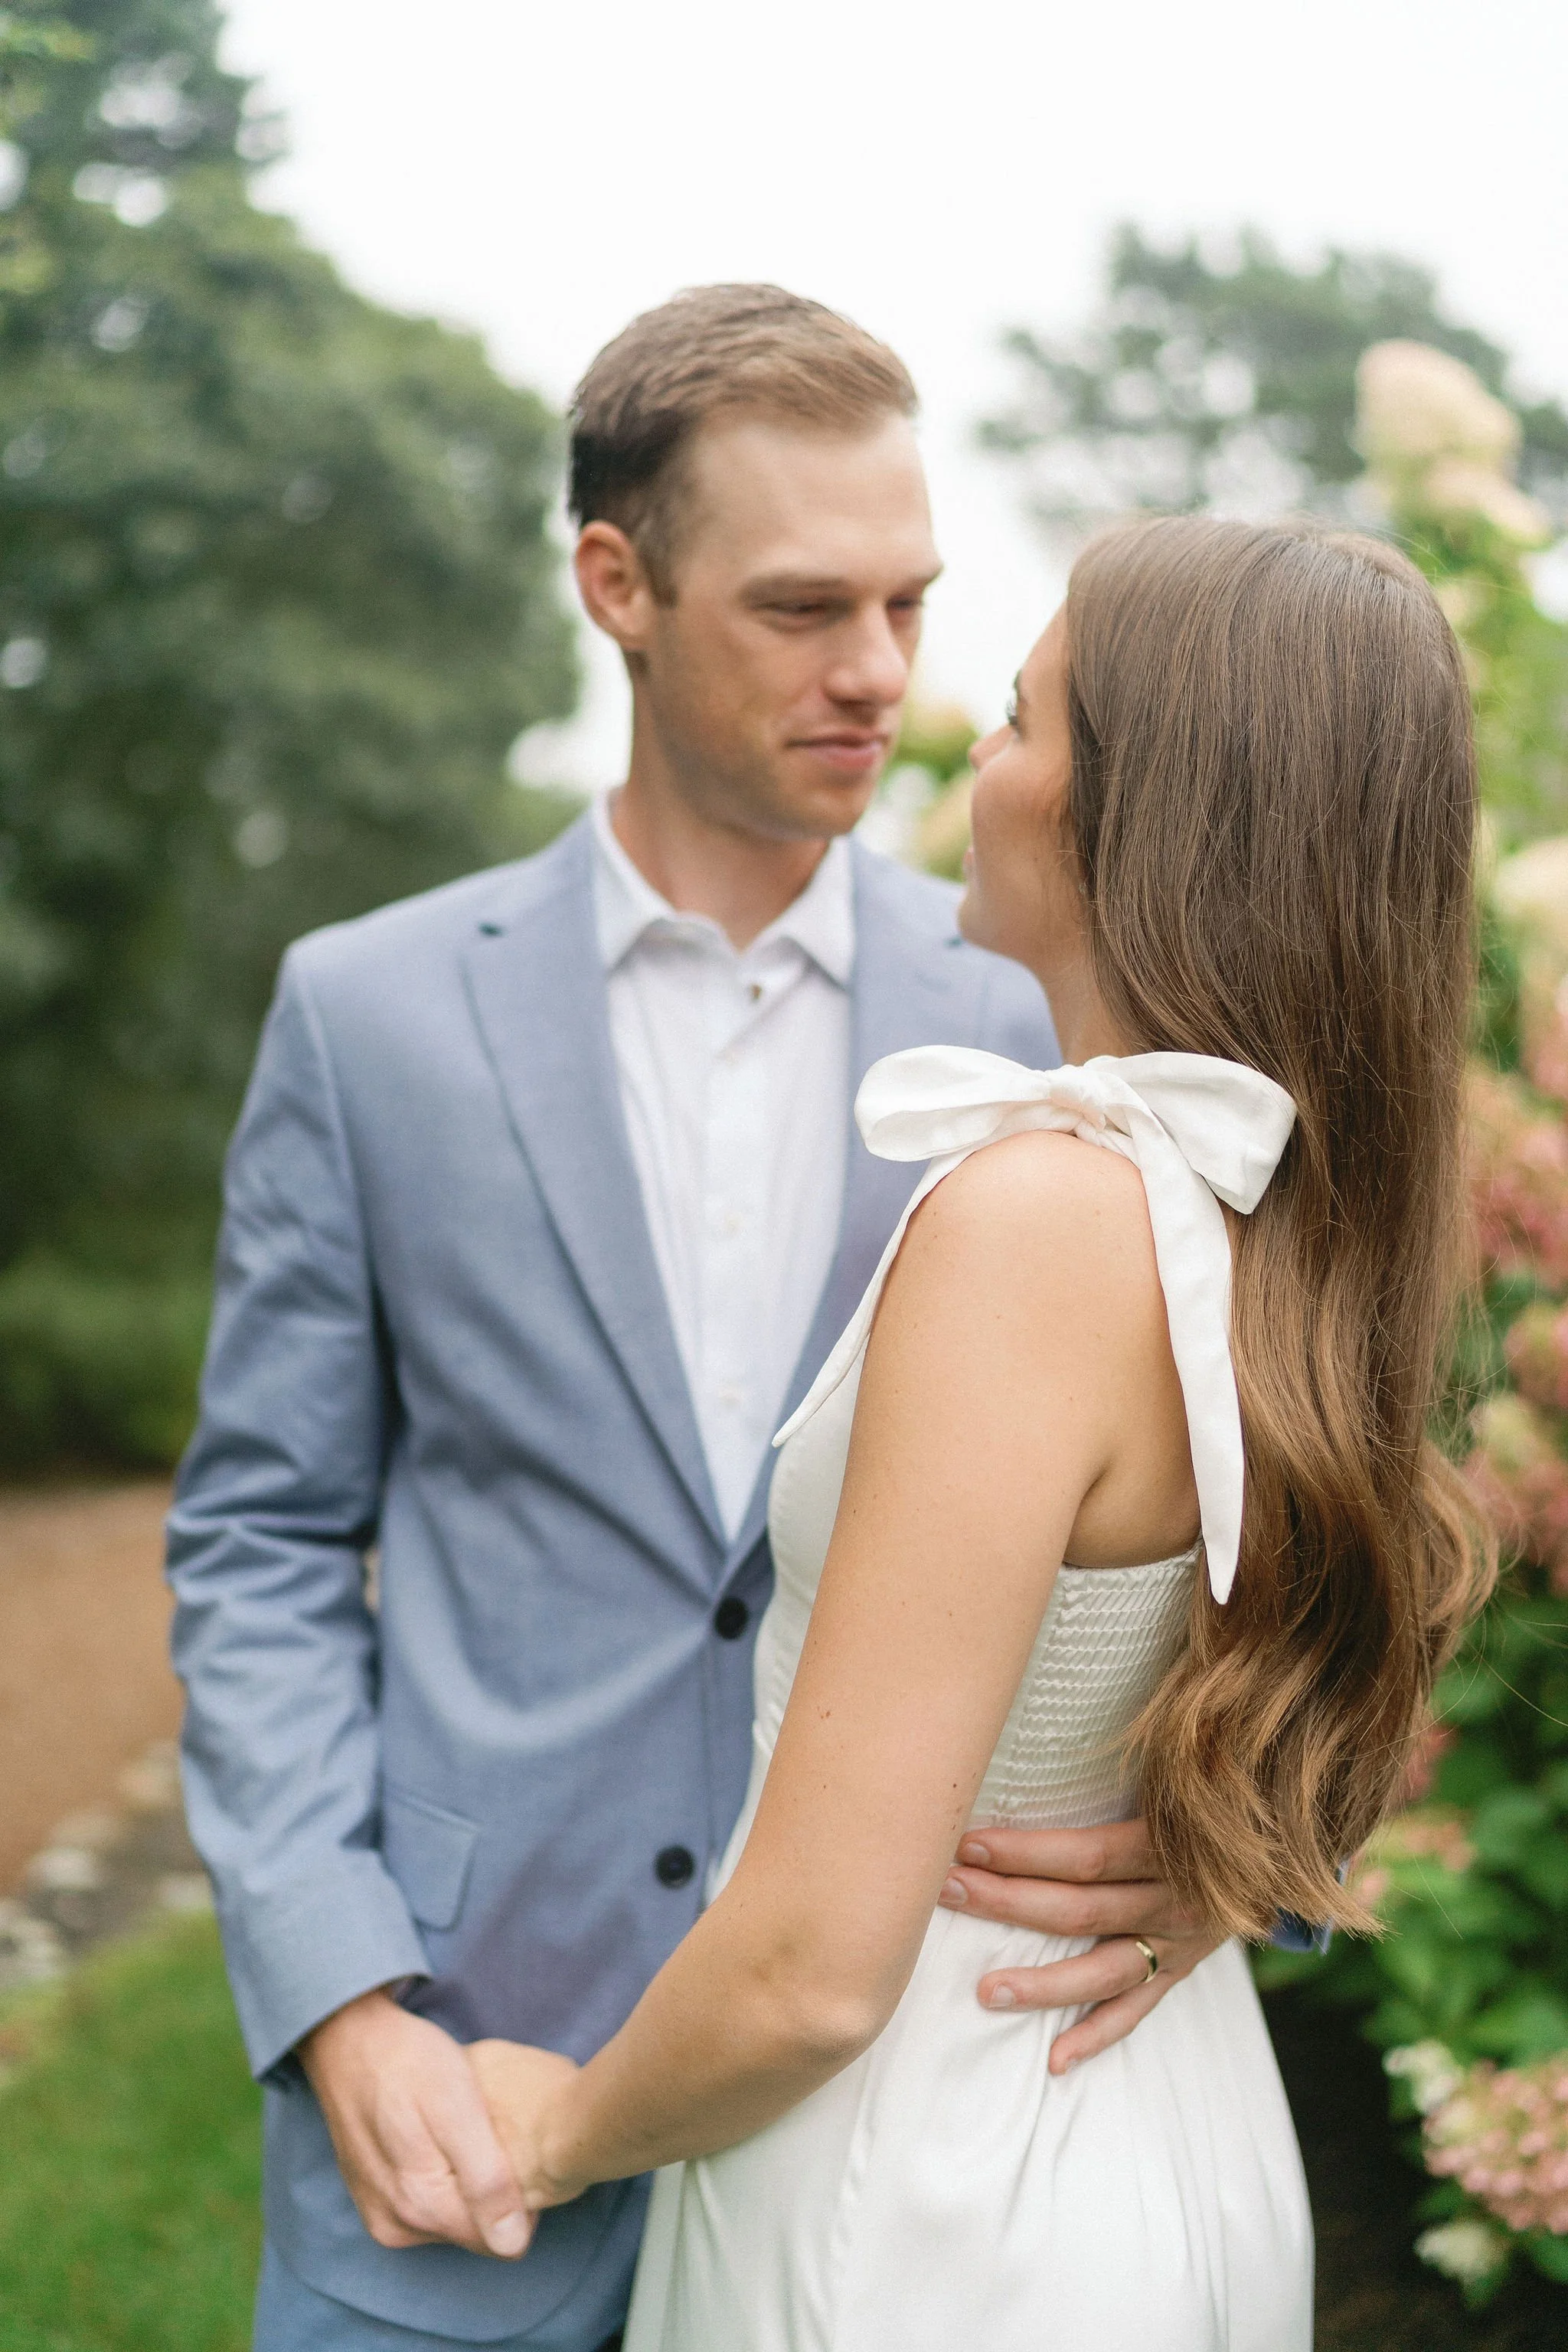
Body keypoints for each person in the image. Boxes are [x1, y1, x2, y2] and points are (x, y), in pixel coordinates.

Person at [167, 287, 1219, 2352]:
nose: (881, 675)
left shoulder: (1041, 1008)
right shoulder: (366, 1013)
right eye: (805, 607)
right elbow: (263, 1542)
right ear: (616, 584)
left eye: (913, 606)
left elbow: (1235, 1468)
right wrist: (339, 2000)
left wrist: (1214, 1834)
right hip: (454, 2094)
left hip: (903, 2101)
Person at [464, 515, 1494, 2350]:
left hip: (933, 2188)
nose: (978, 762)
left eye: (1023, 722)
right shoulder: (1275, 1207)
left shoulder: (1042, 1217)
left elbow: (803, 1978)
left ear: (1130, 819)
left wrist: (551, 2135)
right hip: (1158, 2116)